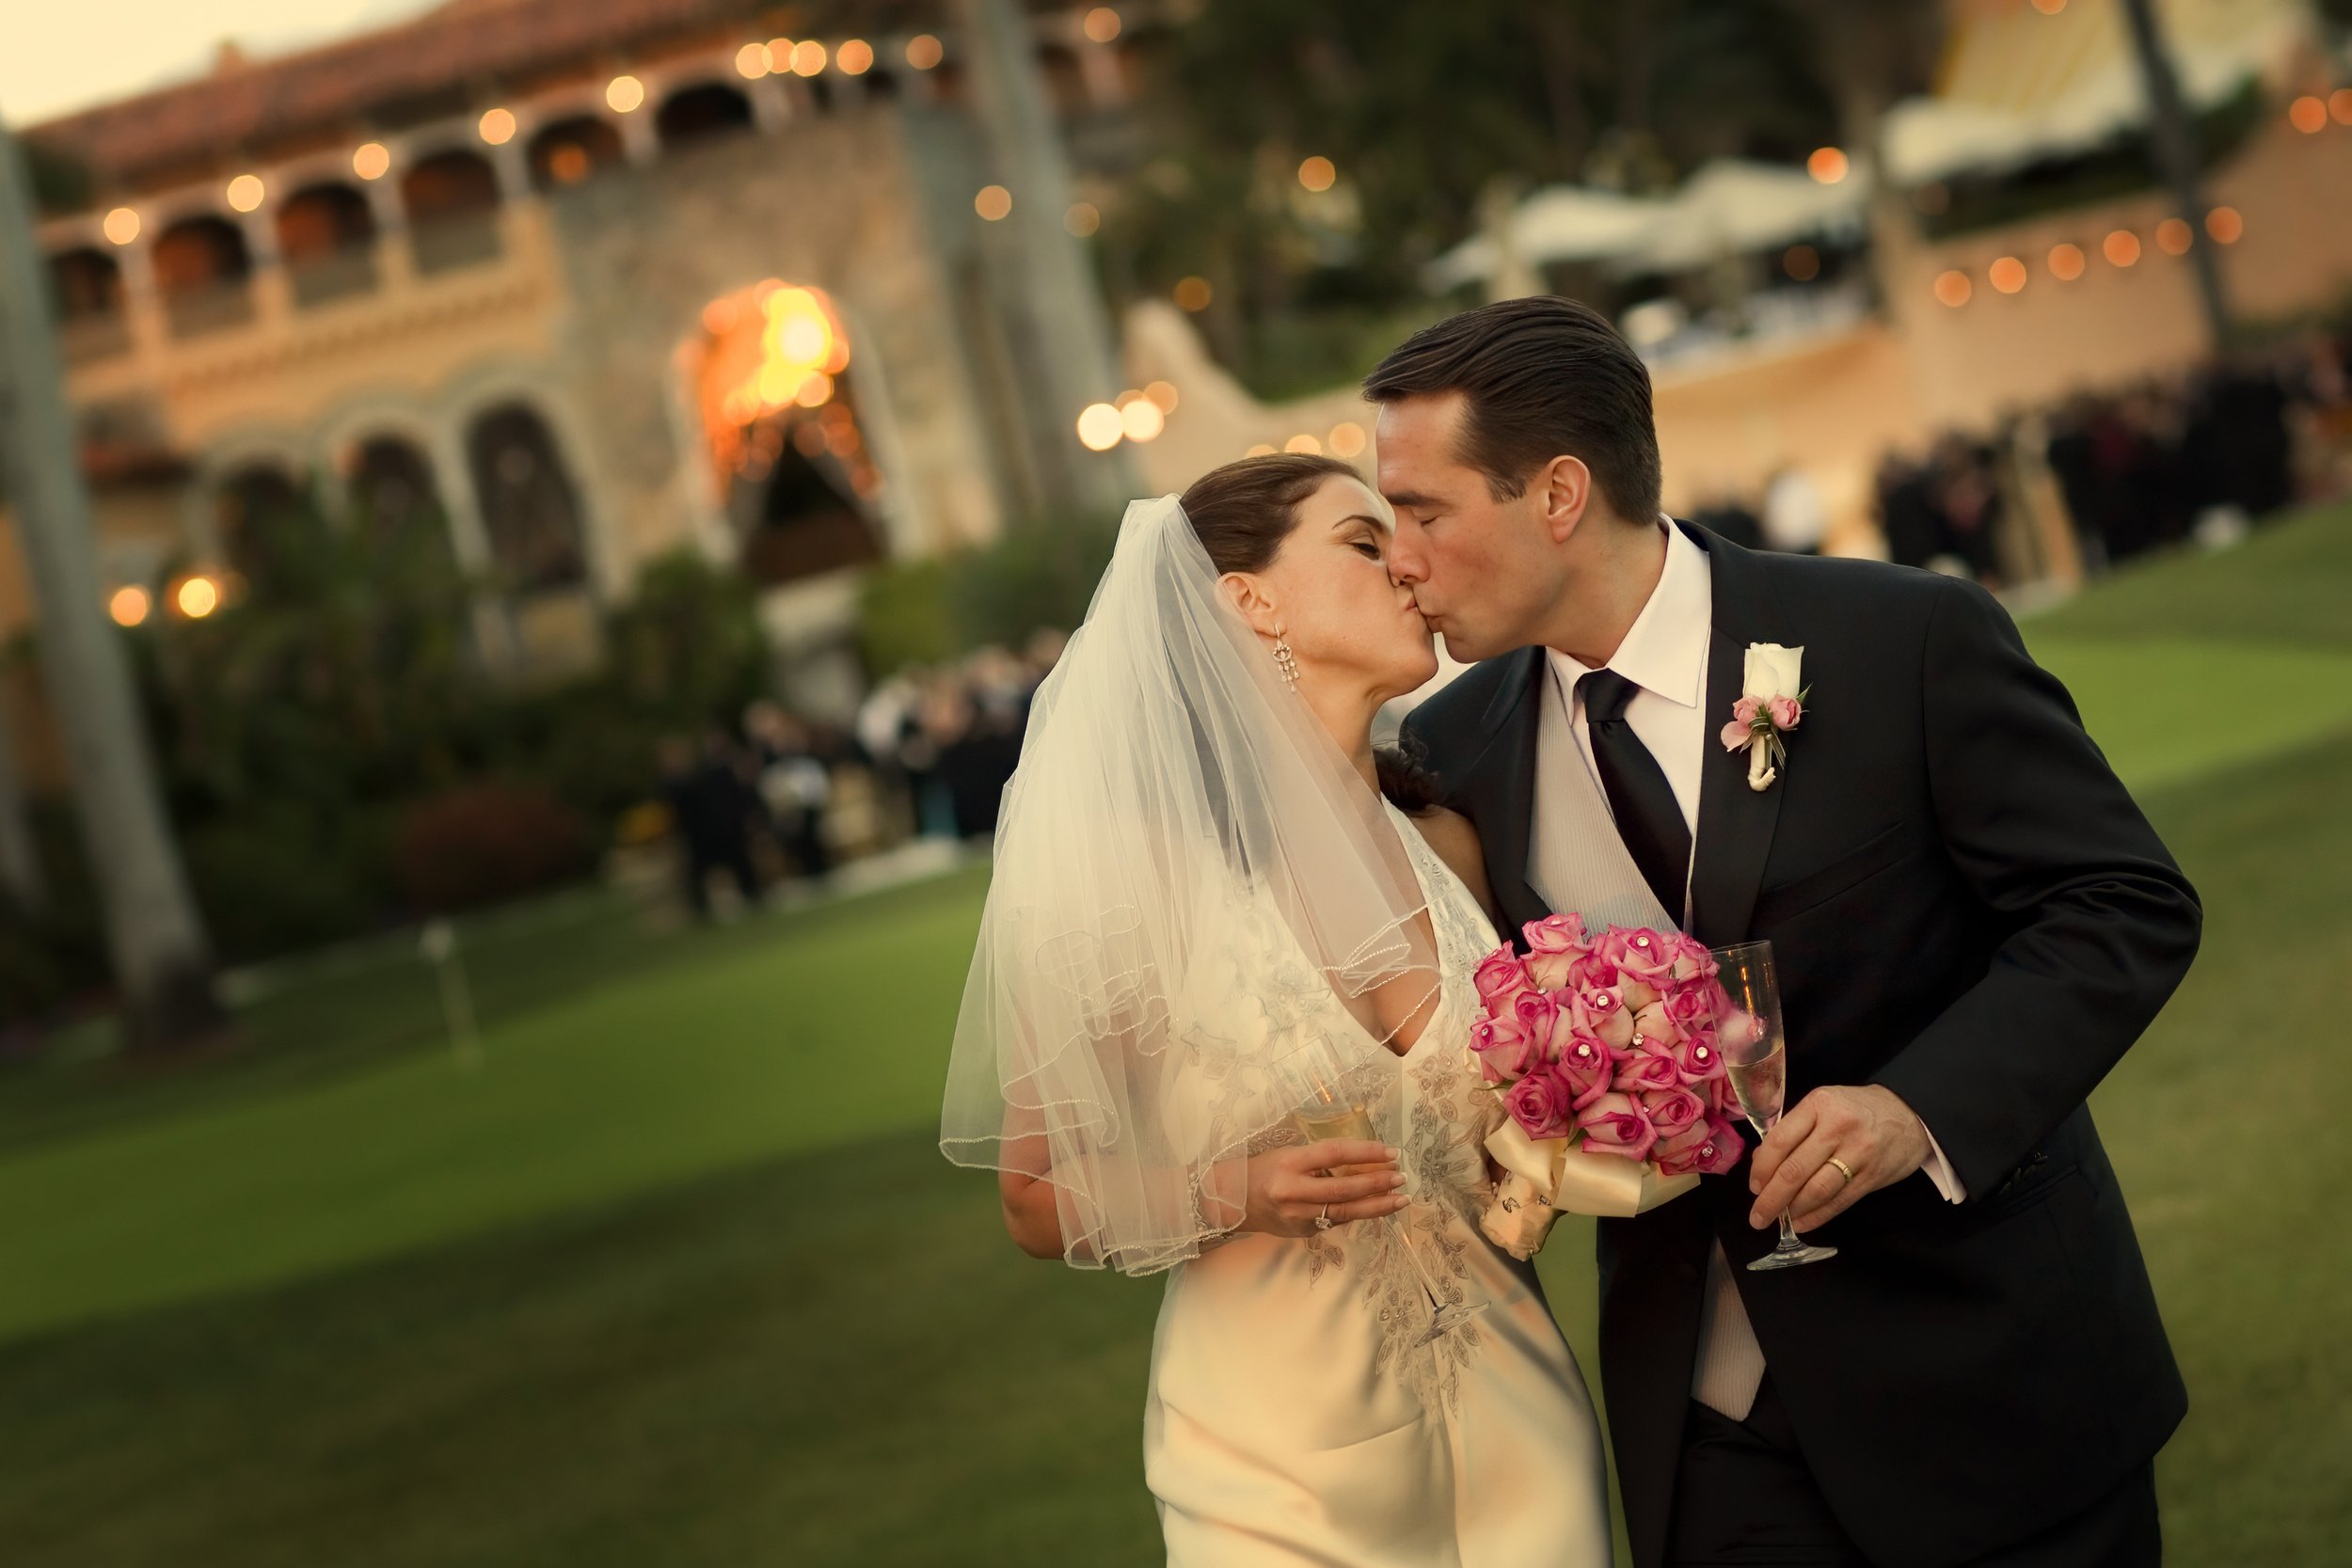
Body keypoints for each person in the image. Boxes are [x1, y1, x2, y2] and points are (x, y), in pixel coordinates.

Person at [1370, 296, 2199, 1568]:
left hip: (1989, 1381)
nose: (1401, 561)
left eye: (1424, 514)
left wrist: (1915, 1108)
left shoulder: (1901, 638)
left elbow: (2119, 903)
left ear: (1558, 493)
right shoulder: (1456, 748)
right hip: (1707, 1425)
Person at [942, 457, 1613, 1566]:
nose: (1405, 562)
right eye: (1361, 540)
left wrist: (1592, 1113)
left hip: (1520, 1428)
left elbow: (1501, 1155)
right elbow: (1032, 1192)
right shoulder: (1126, 881)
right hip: (1279, 1470)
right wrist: (1227, 1190)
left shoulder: (1449, 844)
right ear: (1247, 599)